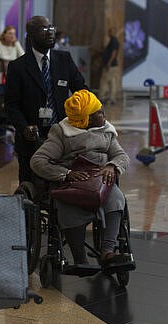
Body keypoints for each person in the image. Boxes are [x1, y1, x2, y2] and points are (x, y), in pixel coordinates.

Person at [30, 89, 129, 265]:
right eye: (98, 112)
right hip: (72, 183)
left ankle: (107, 252)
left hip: (100, 181)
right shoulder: (62, 133)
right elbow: (38, 161)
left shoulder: (106, 131)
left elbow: (121, 156)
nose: (104, 114)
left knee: (116, 198)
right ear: (87, 119)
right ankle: (80, 258)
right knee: (69, 208)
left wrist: (112, 166)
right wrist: (66, 174)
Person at [5, 15, 88, 183]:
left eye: (51, 28)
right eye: (43, 29)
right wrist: (23, 128)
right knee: (30, 188)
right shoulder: (17, 67)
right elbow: (11, 105)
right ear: (30, 36)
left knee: (62, 185)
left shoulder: (64, 60)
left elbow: (82, 90)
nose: (50, 33)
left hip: (62, 135)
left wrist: (93, 109)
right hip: (32, 139)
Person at [0, 25, 25, 91]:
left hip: (10, 77)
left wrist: (16, 44)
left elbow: (24, 58)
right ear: (4, 35)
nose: (12, 36)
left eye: (14, 34)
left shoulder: (16, 45)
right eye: (10, 33)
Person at [98, 27, 120, 105]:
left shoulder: (113, 41)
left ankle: (102, 97)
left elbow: (113, 53)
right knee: (112, 81)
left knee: (104, 80)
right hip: (114, 66)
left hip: (110, 65)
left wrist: (109, 63)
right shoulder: (113, 41)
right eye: (109, 31)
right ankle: (112, 98)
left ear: (114, 32)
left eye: (111, 31)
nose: (109, 33)